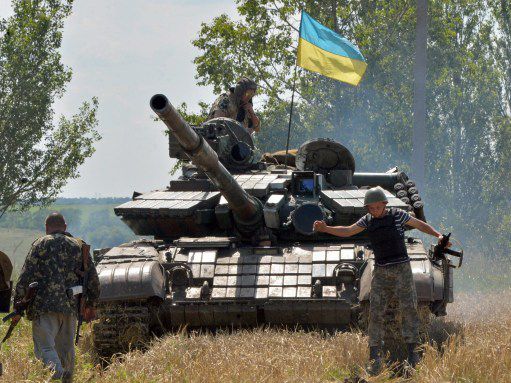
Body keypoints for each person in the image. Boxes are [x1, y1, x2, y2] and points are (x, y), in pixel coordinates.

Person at [313, 186, 450, 375]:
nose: (375, 211)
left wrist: (438, 235)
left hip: (401, 269)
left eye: (378, 207)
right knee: (375, 314)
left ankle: (413, 354)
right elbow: (348, 231)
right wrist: (326, 228)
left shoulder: (398, 215)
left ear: (384, 204)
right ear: (368, 208)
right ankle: (374, 357)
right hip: (381, 271)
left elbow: (419, 224)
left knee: (409, 310)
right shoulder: (367, 220)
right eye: (371, 208)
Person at [12, 212, 100, 382]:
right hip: (70, 307)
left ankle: (55, 373)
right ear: (65, 227)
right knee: (66, 351)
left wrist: (18, 304)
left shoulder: (40, 244)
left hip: (43, 306)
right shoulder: (79, 245)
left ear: (46, 228)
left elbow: (25, 277)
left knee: (45, 348)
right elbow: (93, 279)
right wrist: (91, 304)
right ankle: (65, 378)